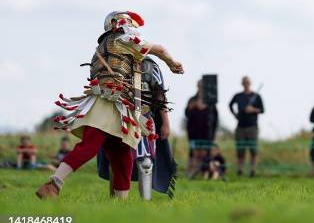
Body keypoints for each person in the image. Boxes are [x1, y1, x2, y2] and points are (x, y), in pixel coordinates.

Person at [36, 11, 183, 200]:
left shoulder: (102, 46)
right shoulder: (124, 40)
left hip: (118, 108)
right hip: (108, 105)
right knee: (89, 147)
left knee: (123, 159)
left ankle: (120, 205)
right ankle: (54, 184)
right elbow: (160, 50)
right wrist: (172, 63)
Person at [97, 57, 177, 199]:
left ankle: (146, 202)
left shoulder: (150, 65)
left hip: (144, 118)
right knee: (115, 161)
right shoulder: (112, 61)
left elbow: (159, 94)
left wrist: (165, 122)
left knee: (146, 163)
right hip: (118, 118)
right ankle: (115, 200)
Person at [229, 76, 264, 177]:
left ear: (250, 83)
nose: (246, 84)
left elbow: (262, 110)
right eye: (244, 83)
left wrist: (253, 109)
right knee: (240, 149)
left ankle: (253, 170)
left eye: (247, 83)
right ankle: (240, 170)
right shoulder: (238, 96)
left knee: (253, 149)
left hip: (252, 126)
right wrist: (235, 114)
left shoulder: (257, 96)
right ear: (242, 84)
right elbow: (230, 105)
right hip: (240, 126)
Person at [186, 94, 211, 178]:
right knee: (193, 154)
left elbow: (213, 115)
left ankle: (204, 173)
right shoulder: (192, 99)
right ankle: (191, 174)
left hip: (205, 133)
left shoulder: (209, 99)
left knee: (204, 155)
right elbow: (186, 112)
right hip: (193, 133)